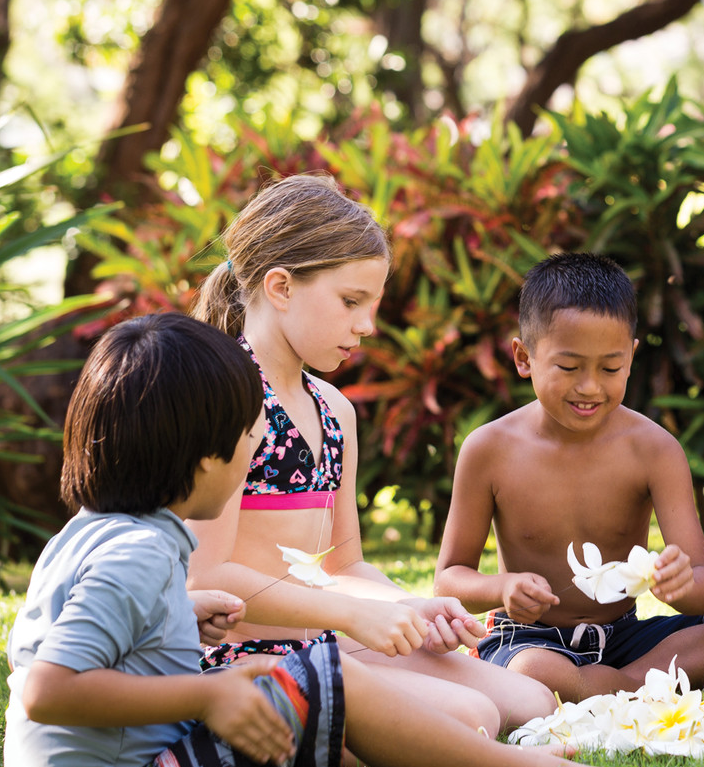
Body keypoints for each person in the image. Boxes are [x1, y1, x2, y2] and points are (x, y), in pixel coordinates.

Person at [1, 314, 672, 767]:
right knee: (326, 676)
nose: (254, 451)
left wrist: (181, 616)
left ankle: (504, 762)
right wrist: (206, 693)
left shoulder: (95, 534)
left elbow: (83, 641)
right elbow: (48, 689)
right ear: (203, 459)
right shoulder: (139, 553)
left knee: (311, 677)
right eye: (246, 439)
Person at [184, 174, 553, 733]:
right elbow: (207, 577)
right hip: (237, 660)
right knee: (471, 715)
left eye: (372, 304)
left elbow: (344, 565)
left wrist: (408, 607)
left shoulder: (334, 412)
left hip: (323, 640)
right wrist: (353, 613)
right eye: (351, 302)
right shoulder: (226, 399)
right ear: (280, 288)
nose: (368, 325)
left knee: (530, 702)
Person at [436, 254, 704, 701]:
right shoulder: (489, 450)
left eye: (609, 368)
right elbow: (449, 578)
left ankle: (617, 687)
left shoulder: (654, 449)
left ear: (631, 357)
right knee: (533, 669)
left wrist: (679, 586)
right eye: (568, 368)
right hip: (530, 639)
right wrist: (502, 587)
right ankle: (639, 686)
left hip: (625, 639)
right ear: (524, 357)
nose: (589, 387)